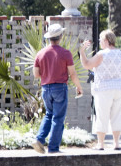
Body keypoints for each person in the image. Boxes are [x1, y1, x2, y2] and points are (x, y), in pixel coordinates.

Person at [32, 23, 84, 154]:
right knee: (58, 118)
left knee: (49, 114)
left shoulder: (40, 53)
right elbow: (72, 74)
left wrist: (48, 73)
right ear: (60, 36)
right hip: (60, 88)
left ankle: (39, 139)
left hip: (45, 88)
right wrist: (79, 87)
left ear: (49, 37)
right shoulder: (66, 53)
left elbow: (36, 74)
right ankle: (53, 148)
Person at [80, 29, 121, 150]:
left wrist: (82, 51)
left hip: (104, 88)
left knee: (102, 115)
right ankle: (116, 143)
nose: (99, 41)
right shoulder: (120, 53)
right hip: (119, 87)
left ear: (106, 40)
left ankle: (100, 144)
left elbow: (87, 64)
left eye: (100, 39)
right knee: (117, 115)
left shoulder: (102, 54)